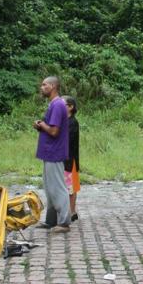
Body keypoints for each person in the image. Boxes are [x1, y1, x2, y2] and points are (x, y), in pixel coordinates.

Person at [34, 76, 70, 232]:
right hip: (49, 152)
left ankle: (64, 222)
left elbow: (54, 131)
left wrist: (42, 124)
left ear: (53, 86)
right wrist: (41, 126)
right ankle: (51, 220)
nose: (41, 87)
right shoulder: (54, 104)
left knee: (58, 187)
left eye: (45, 85)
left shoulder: (57, 105)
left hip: (54, 152)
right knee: (49, 188)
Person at [64, 96, 80, 221]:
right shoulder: (63, 121)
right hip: (63, 159)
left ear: (71, 107)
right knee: (65, 186)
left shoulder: (73, 123)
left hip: (70, 160)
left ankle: (72, 211)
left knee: (71, 188)